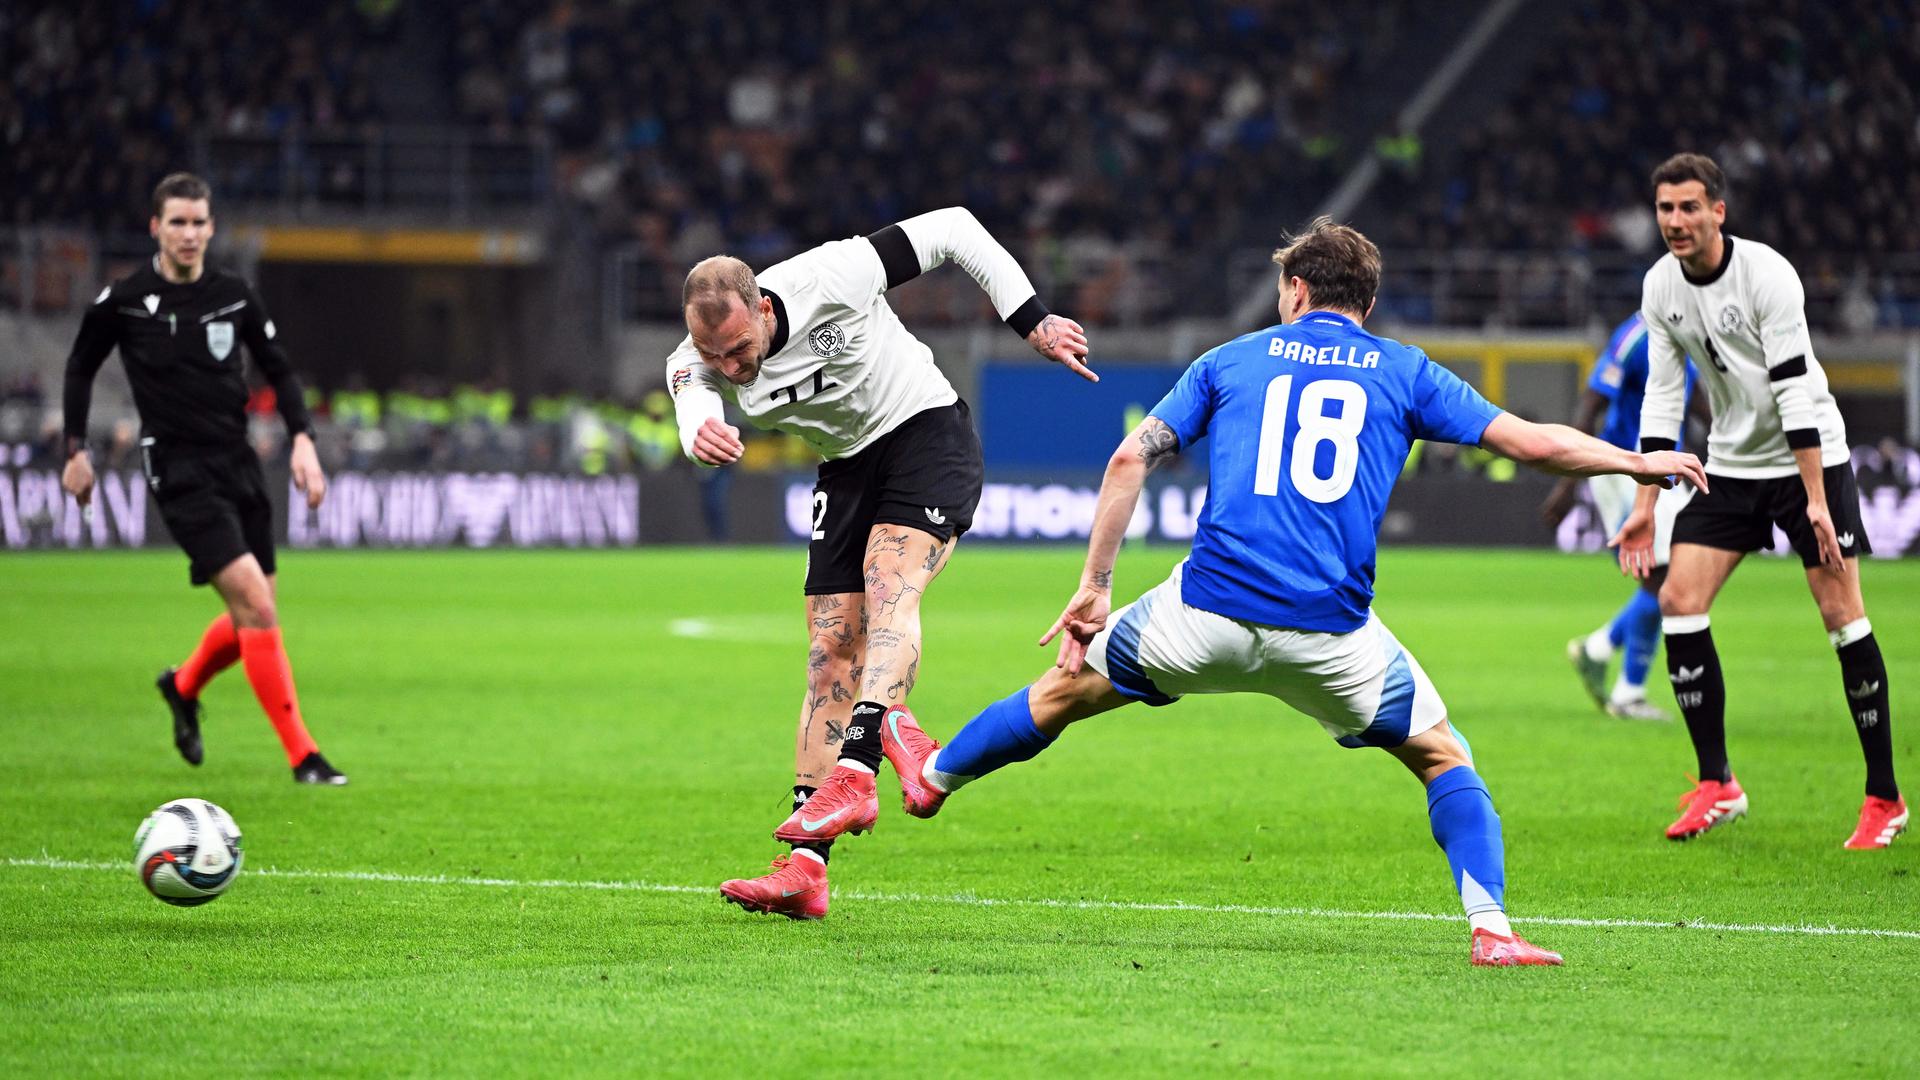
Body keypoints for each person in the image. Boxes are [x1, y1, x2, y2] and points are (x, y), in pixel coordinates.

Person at [868, 217, 1708, 966]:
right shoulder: (1405, 371)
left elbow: (1131, 457)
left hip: (1201, 616)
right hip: (1332, 639)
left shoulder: (1230, 359)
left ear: (1296, 290)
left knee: (1060, 692)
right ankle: (1491, 929)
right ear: (1365, 306)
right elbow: (1529, 442)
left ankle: (934, 778)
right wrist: (1639, 460)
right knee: (1445, 757)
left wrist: (1095, 588)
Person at [666, 208, 1093, 918]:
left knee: (889, 591)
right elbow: (692, 391)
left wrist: (1033, 320)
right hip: (847, 467)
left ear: (764, 308)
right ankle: (805, 869)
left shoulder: (833, 274)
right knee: (829, 650)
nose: (734, 366)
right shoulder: (697, 359)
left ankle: (859, 769)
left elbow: (955, 228)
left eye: (741, 347)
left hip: (925, 433)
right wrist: (697, 427)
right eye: (718, 357)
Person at [1615, 153, 1904, 848]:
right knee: (1679, 602)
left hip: (1812, 461)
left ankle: (1884, 797)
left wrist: (1815, 500)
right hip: (1731, 465)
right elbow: (1663, 393)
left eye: (1689, 207)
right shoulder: (1660, 287)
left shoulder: (1767, 275)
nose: (1676, 222)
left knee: (1842, 617)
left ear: (1720, 210)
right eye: (1665, 209)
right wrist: (1645, 504)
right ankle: (1717, 783)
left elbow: (1794, 390)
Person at [61, 173, 347, 785]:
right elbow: (81, 367)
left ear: (212, 228)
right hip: (178, 467)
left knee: (258, 611)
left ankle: (183, 685)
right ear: (155, 228)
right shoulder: (125, 301)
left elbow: (281, 370)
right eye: (177, 222)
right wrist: (75, 449)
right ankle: (304, 755)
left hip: (237, 461)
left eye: (198, 223)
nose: (189, 234)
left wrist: (303, 439)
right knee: (256, 602)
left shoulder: (234, 296)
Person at [1540, 314, 1702, 721]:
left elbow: (1701, 402)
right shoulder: (1633, 336)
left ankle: (1600, 652)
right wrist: (1567, 483)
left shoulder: (1692, 333)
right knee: (1668, 575)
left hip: (1666, 467)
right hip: (1628, 466)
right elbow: (1592, 402)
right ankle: (1626, 690)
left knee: (1675, 576)